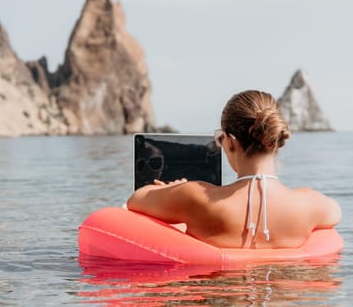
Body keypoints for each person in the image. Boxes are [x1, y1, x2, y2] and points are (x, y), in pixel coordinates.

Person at [127, 90, 341, 249]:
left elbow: (136, 199)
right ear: (276, 140)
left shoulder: (194, 197)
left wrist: (174, 190)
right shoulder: (310, 204)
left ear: (229, 141)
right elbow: (336, 213)